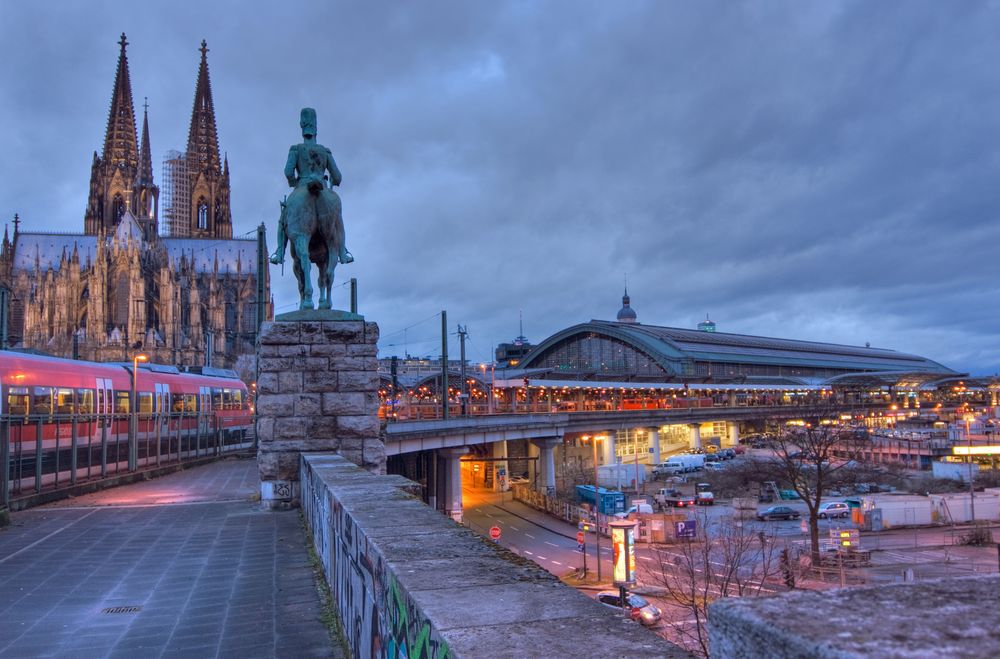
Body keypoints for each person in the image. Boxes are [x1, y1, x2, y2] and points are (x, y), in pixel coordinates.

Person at [271, 107, 352, 265]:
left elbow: (288, 172)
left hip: (302, 186)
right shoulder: (325, 151)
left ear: (302, 126)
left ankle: (279, 253)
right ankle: (343, 252)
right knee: (338, 216)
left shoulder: (296, 149)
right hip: (322, 187)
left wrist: (294, 183)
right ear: (316, 128)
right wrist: (332, 183)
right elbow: (338, 176)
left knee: (283, 221)